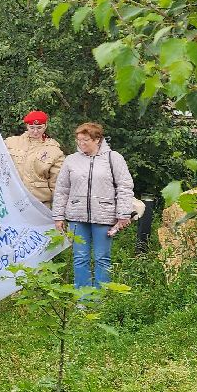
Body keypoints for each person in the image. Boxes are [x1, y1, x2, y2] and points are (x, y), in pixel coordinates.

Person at [52, 122, 136, 289]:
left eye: (86, 140)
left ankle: (101, 297)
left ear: (97, 139)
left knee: (102, 257)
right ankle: (82, 297)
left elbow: (125, 186)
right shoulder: (71, 160)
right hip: (76, 215)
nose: (81, 144)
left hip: (104, 215)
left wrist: (124, 213)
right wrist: (58, 216)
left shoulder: (114, 158)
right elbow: (62, 189)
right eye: (79, 140)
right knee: (80, 257)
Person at [7, 110, 66, 207]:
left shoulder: (54, 150)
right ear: (26, 126)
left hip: (40, 204)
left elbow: (57, 183)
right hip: (14, 202)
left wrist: (58, 211)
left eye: (39, 128)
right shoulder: (12, 142)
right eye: (32, 127)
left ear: (45, 126)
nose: (35, 131)